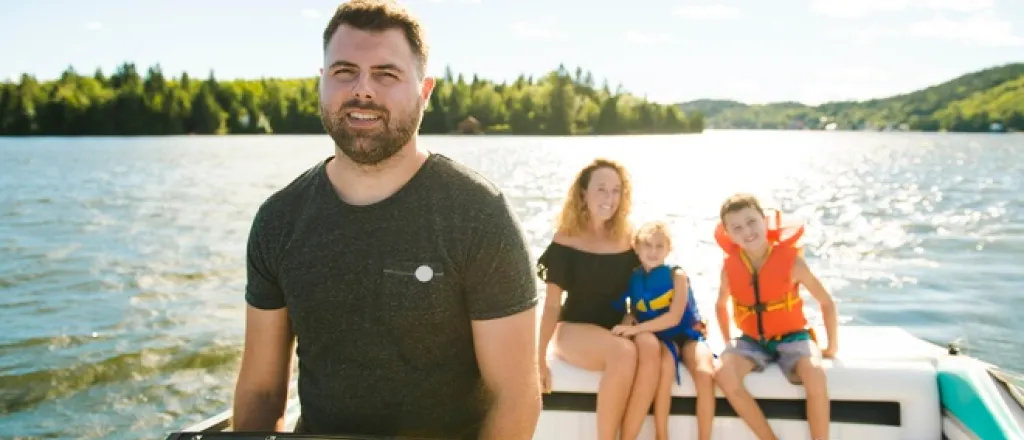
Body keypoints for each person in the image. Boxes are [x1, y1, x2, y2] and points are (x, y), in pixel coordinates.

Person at [230, 1, 541, 439]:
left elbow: (515, 395)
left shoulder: (477, 214)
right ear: (321, 83)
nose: (363, 90)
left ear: (424, 90)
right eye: (344, 71)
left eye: (386, 74)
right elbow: (261, 393)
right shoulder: (279, 220)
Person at [535, 158, 657, 440]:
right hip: (573, 329)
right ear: (583, 194)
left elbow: (650, 288)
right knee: (624, 352)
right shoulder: (566, 239)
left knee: (650, 349)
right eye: (601, 189)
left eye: (616, 191)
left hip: (616, 326)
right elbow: (552, 304)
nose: (609, 198)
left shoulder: (629, 240)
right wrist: (538, 359)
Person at [712, 193, 839, 440]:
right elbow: (720, 305)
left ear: (764, 220)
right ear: (728, 234)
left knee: (815, 374)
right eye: (737, 227)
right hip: (751, 340)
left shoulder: (793, 263)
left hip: (793, 337)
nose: (747, 231)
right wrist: (729, 342)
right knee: (724, 375)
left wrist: (831, 347)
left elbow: (826, 302)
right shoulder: (729, 267)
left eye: (751, 222)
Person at [610, 221, 716, 440]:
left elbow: (675, 317)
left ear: (669, 249)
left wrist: (637, 329)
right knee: (665, 367)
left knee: (705, 373)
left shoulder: (677, 276)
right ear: (636, 248)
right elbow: (629, 310)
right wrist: (628, 322)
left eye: (660, 246)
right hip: (660, 337)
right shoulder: (633, 278)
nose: (653, 251)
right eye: (647, 245)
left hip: (686, 334)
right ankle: (661, 435)